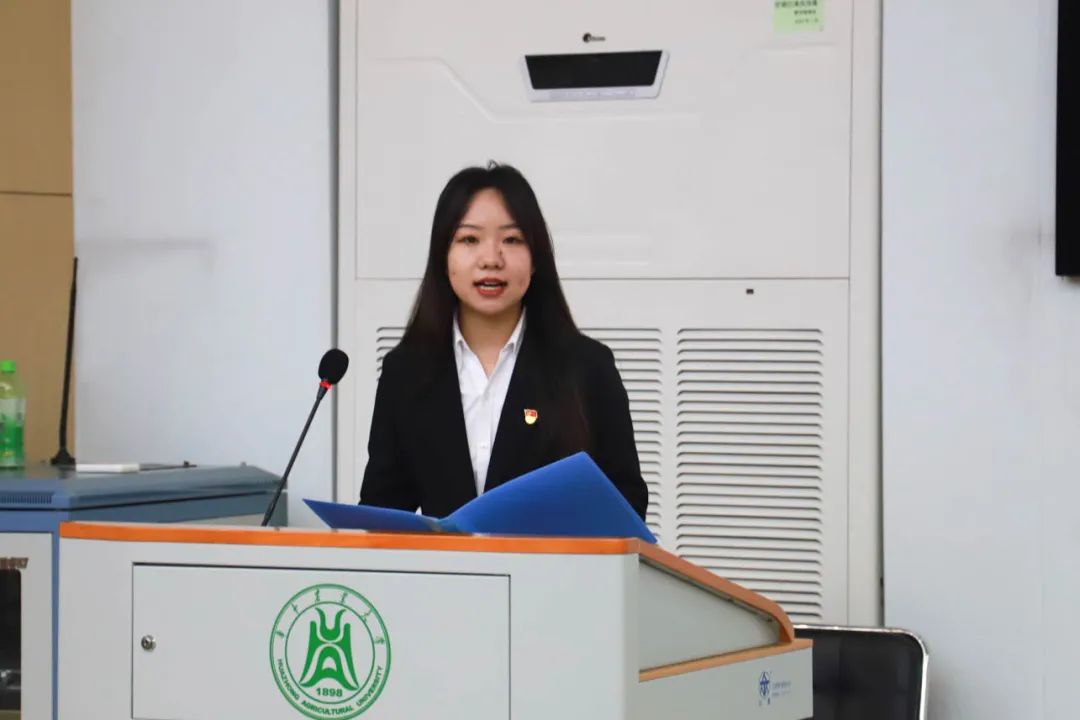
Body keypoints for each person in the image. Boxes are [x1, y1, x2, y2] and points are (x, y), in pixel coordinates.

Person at [359, 162, 648, 520]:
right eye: (469, 240)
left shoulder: (587, 367)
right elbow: (381, 512)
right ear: (443, 256)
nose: (491, 259)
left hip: (551, 558)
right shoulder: (405, 372)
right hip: (447, 560)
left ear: (536, 258)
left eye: (512, 240)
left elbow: (626, 506)